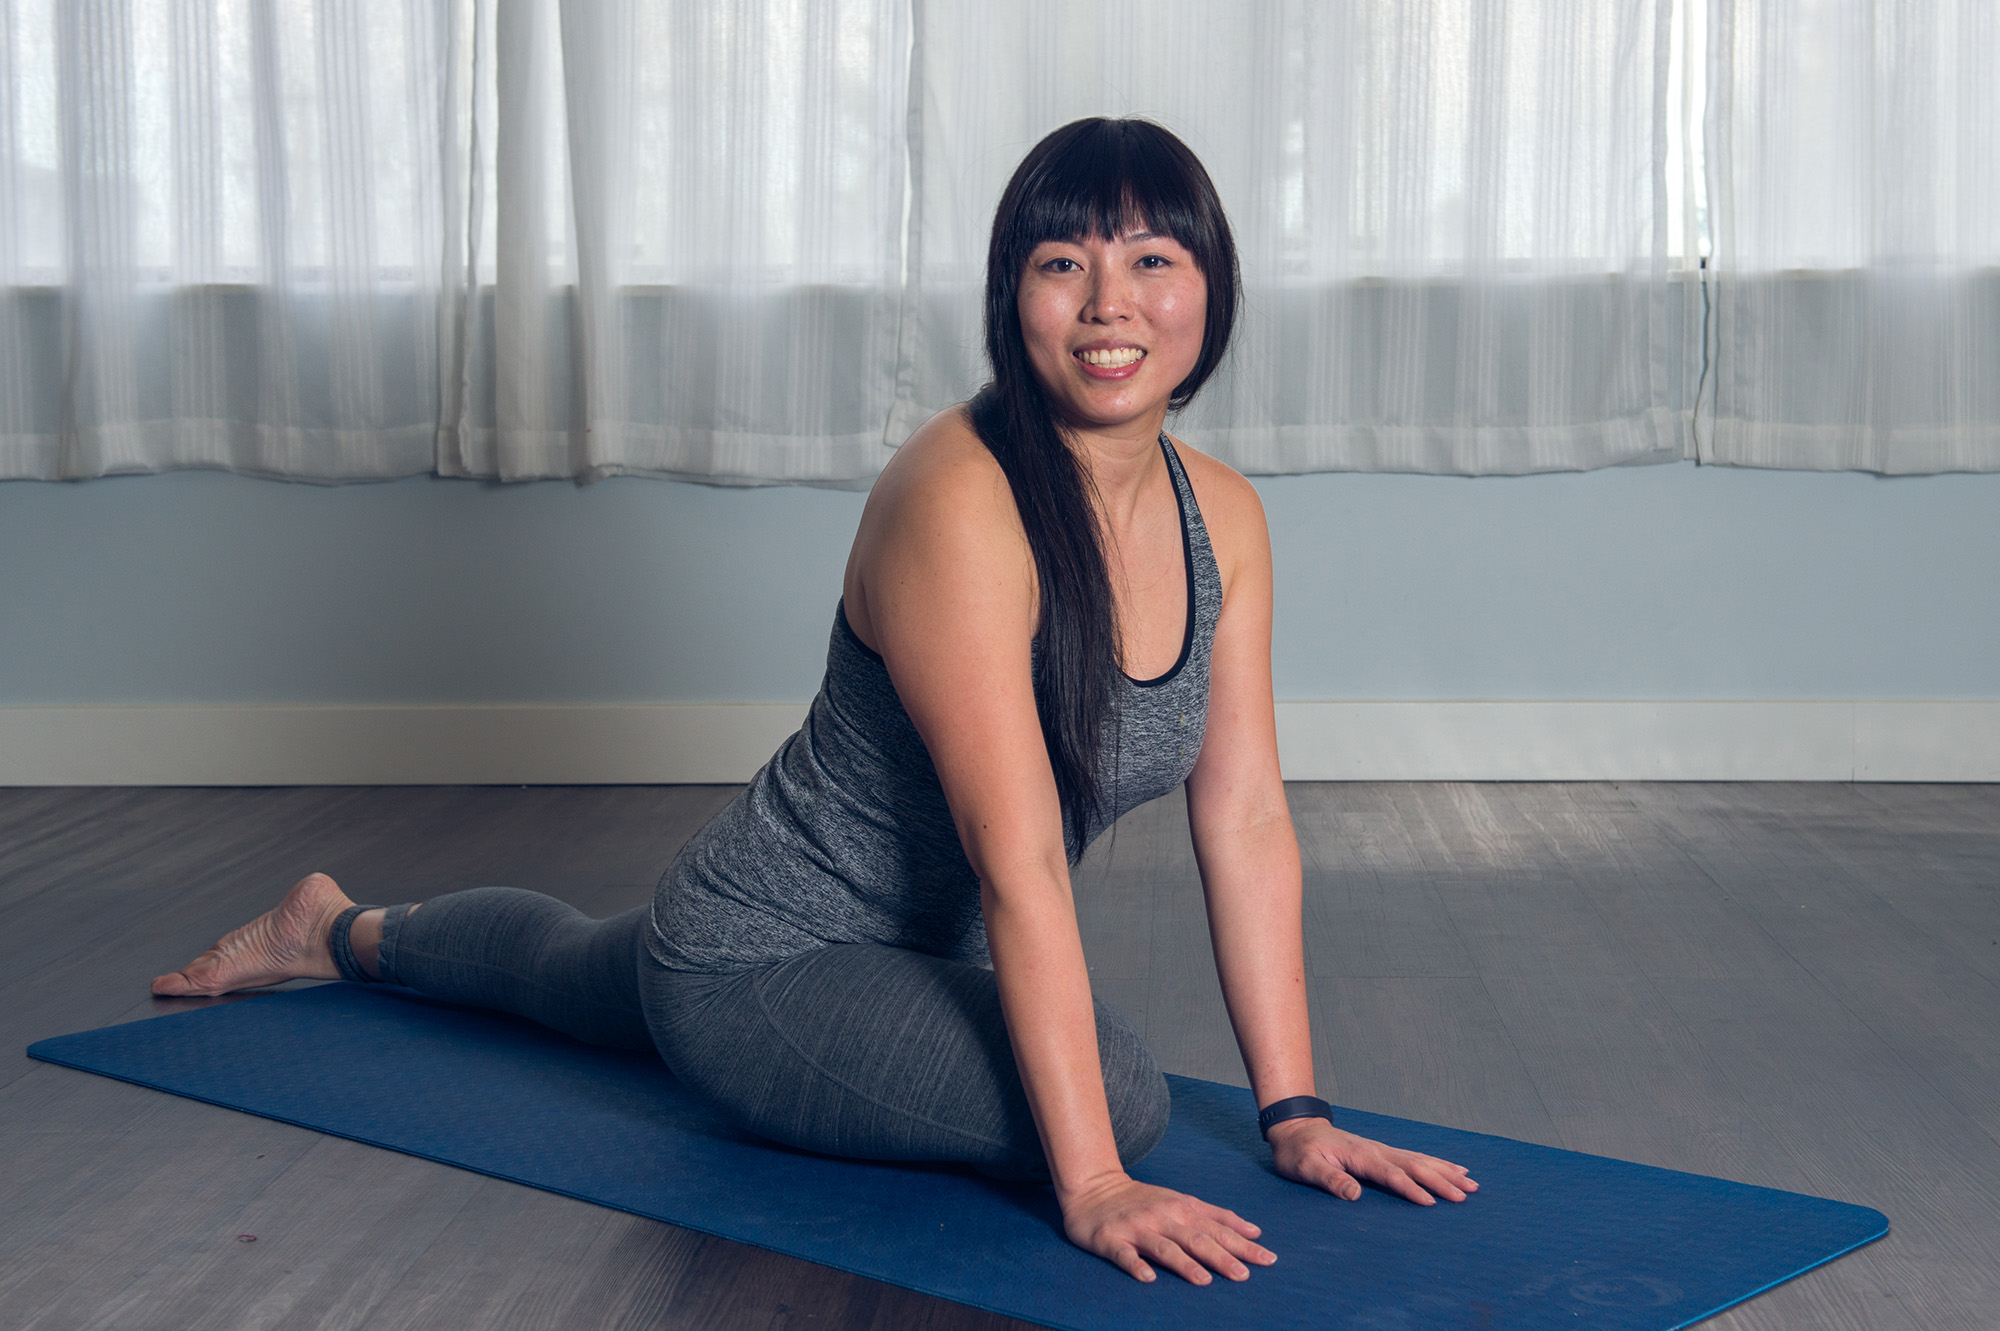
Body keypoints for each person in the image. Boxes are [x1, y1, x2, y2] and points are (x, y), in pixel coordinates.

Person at [153, 117, 1475, 1286]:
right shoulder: (961, 502)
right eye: (1061, 262)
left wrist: (1293, 1108)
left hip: (878, 947)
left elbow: (1241, 817)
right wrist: (1092, 1185)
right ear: (1010, 294)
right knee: (1118, 1097)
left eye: (1149, 261)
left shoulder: (1222, 516)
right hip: (757, 956)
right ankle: (444, 956)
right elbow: (1019, 865)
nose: (1104, 303)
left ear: (1211, 290)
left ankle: (338, 929)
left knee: (566, 971)